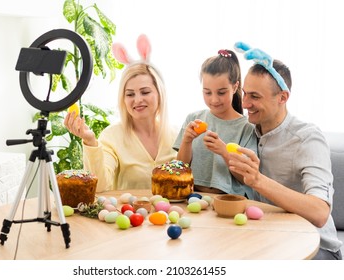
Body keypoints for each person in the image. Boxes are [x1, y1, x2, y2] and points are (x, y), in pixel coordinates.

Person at [228, 42, 343, 260]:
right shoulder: (248, 131)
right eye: (244, 94)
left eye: (254, 96)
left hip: (318, 247)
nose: (244, 104)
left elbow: (319, 213)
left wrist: (258, 180)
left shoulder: (308, 139)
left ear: (282, 97)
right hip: (271, 238)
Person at [64, 35, 177, 192]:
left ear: (159, 93)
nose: (137, 100)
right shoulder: (112, 136)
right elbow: (100, 186)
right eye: (130, 94)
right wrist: (90, 140)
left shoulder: (177, 135)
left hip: (171, 216)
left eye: (145, 92)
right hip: (129, 215)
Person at [173, 49, 257, 198]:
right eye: (207, 92)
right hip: (191, 197)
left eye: (221, 92)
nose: (214, 100)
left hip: (228, 201)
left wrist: (224, 152)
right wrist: (186, 141)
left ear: (235, 87)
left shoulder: (247, 128)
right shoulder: (193, 119)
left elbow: (245, 178)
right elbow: (179, 169)